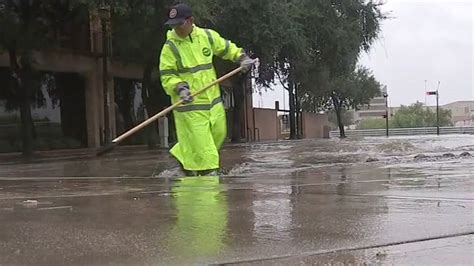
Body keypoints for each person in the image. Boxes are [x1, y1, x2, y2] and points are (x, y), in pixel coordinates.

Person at [159, 3, 255, 176]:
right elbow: (167, 76)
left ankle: (184, 156)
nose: (176, 29)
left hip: (213, 102)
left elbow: (225, 48)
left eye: (179, 24)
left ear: (191, 21)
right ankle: (208, 183)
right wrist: (180, 88)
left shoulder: (206, 36)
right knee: (205, 149)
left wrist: (242, 57)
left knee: (218, 135)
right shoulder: (170, 47)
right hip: (190, 106)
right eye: (173, 25)